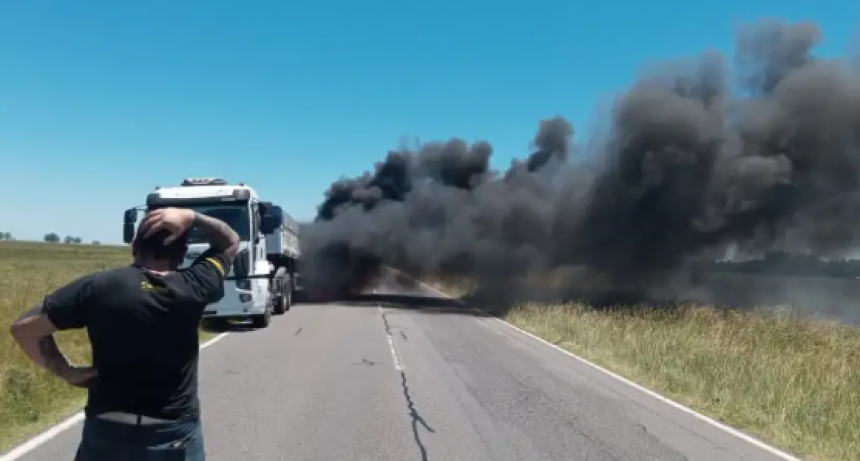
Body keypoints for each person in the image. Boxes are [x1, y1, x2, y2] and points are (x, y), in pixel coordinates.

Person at [10, 207, 240, 461]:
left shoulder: (98, 286)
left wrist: (68, 372)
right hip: (171, 431)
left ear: (134, 247)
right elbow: (230, 241)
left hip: (107, 425)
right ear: (183, 253)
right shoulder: (196, 285)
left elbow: (24, 330)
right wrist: (192, 216)